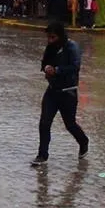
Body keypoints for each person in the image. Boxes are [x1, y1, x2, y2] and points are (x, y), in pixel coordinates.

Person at [32, 22, 89, 166]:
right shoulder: (50, 48)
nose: (50, 41)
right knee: (44, 123)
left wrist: (57, 70)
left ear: (60, 36)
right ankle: (42, 155)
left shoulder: (72, 47)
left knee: (70, 124)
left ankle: (83, 141)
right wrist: (46, 68)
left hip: (68, 93)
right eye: (48, 37)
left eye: (53, 37)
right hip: (52, 91)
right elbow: (44, 62)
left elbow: (75, 67)